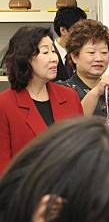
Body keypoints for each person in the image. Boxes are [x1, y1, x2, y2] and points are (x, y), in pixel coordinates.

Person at [0, 26, 83, 174]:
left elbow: (83, 152)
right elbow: (3, 168)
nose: (54, 58)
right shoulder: (5, 104)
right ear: (25, 58)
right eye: (45, 52)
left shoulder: (70, 96)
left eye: (53, 51)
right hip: (26, 193)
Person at [64, 19, 109, 127]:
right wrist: (97, 91)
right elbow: (71, 128)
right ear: (74, 56)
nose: (99, 58)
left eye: (104, 52)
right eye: (91, 52)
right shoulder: (63, 91)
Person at [53, 6, 87, 81]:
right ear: (63, 30)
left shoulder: (83, 53)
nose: (82, 35)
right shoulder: (47, 55)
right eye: (78, 31)